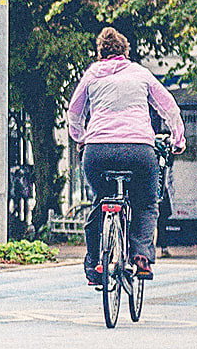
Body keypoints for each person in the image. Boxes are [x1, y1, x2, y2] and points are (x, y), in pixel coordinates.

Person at [66, 28, 184, 286]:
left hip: (98, 152)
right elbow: (169, 107)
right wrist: (178, 139)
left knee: (100, 201)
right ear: (126, 52)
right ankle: (141, 256)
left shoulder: (91, 75)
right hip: (138, 151)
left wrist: (81, 137)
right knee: (146, 203)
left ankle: (95, 264)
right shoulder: (140, 73)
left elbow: (73, 114)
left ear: (100, 53)